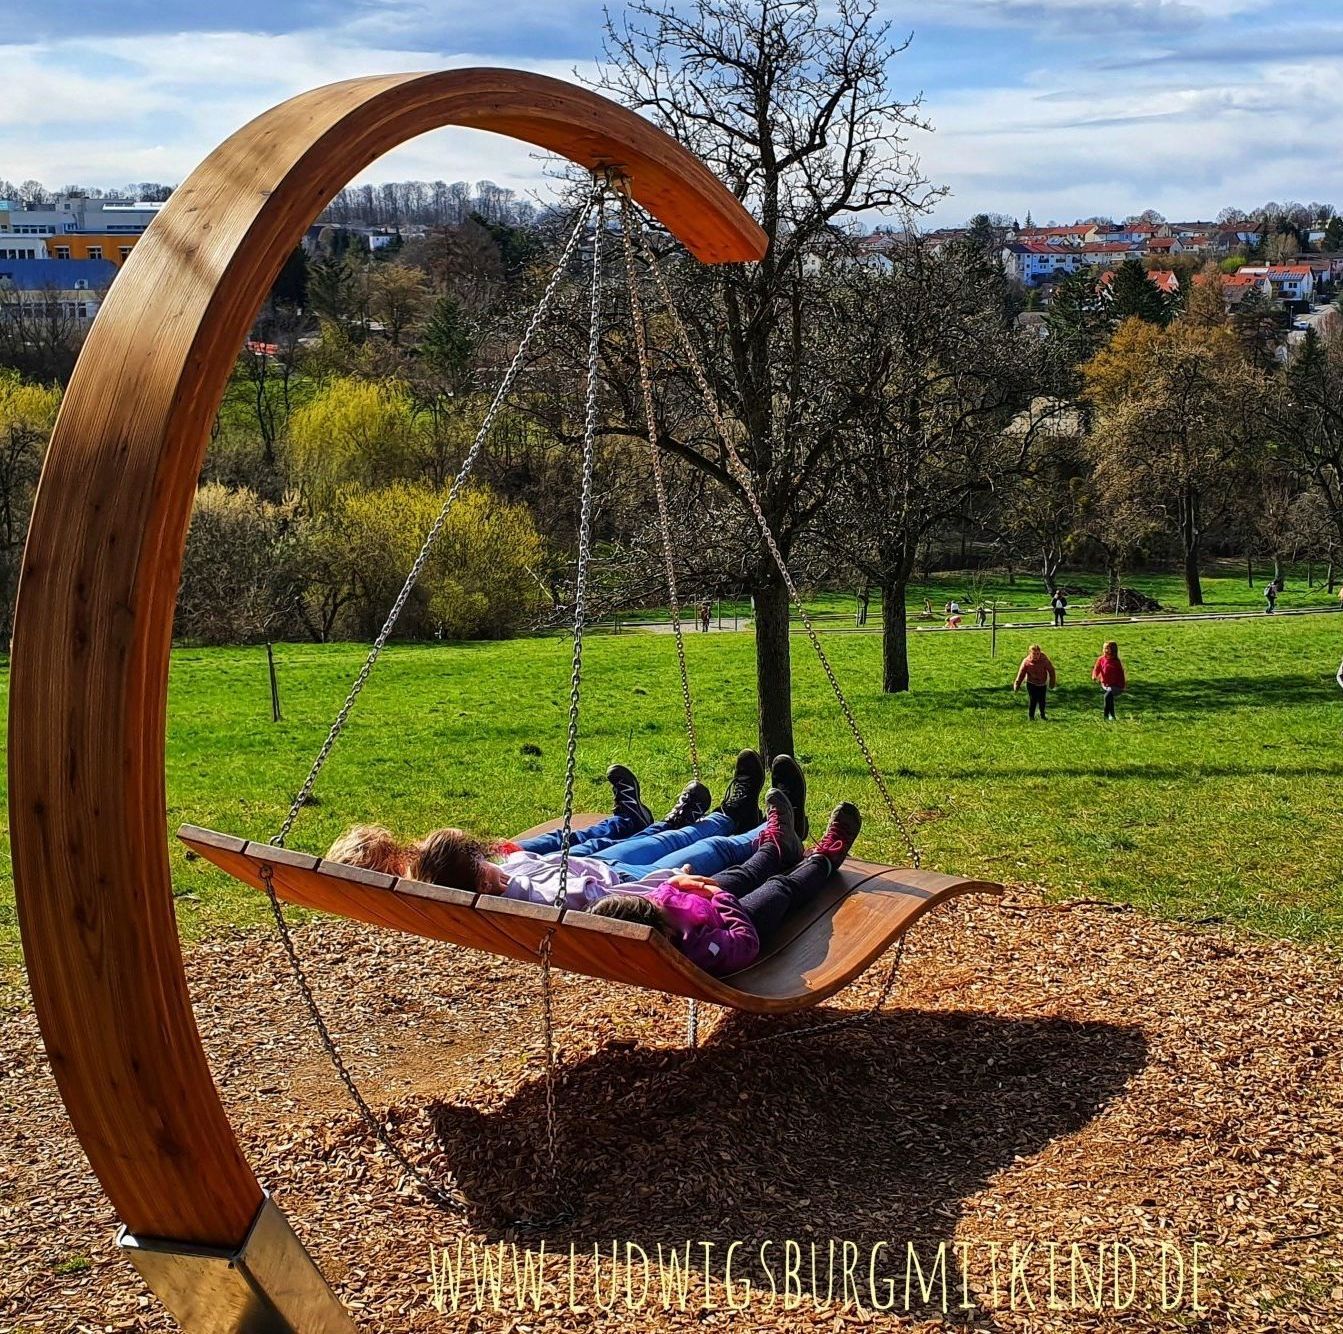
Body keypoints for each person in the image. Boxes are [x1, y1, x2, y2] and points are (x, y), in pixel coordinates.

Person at [591, 792, 863, 976]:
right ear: (662, 931)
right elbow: (745, 943)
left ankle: (779, 848)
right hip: (733, 922)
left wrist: (677, 881)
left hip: (705, 902)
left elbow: (660, 895)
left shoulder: (651, 911)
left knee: (742, 873)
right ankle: (824, 860)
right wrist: (719, 896)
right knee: (779, 888)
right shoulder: (698, 949)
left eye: (649, 903)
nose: (656, 902)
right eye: (654, 907)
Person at [1013, 644, 1057, 721]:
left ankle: (1042, 715)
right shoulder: (1026, 662)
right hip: (1031, 683)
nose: (1036, 656)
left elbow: (1051, 671)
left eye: (1038, 654)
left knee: (1042, 700)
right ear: (1030, 653)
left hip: (1042, 683)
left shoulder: (1044, 660)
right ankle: (1031, 716)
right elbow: (1021, 674)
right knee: (1033, 699)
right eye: (1034, 654)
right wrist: (1017, 684)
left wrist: (1052, 682)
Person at [1091, 640, 1127, 720]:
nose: (1106, 651)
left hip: (1116, 686)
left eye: (1108, 649)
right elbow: (1097, 668)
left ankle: (1106, 715)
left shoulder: (1116, 662)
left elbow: (1120, 676)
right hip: (1106, 685)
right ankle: (1111, 715)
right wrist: (1094, 676)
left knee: (1107, 696)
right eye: (1105, 649)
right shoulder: (1101, 659)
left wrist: (1120, 687)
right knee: (1109, 697)